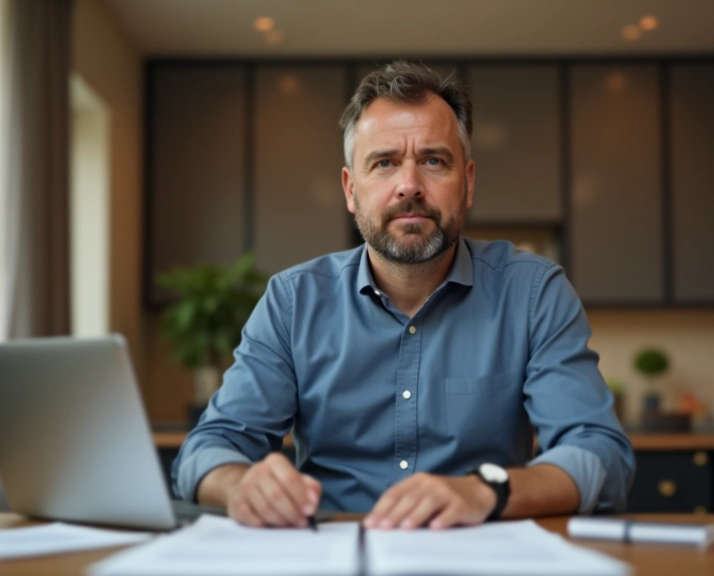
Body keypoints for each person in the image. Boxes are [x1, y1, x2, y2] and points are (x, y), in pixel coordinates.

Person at [171, 61, 634, 530]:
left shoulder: (534, 293)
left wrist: (485, 489)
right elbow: (206, 452)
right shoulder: (292, 302)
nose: (409, 185)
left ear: (468, 183)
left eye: (434, 160)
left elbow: (601, 454)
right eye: (384, 162)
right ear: (352, 190)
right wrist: (240, 486)